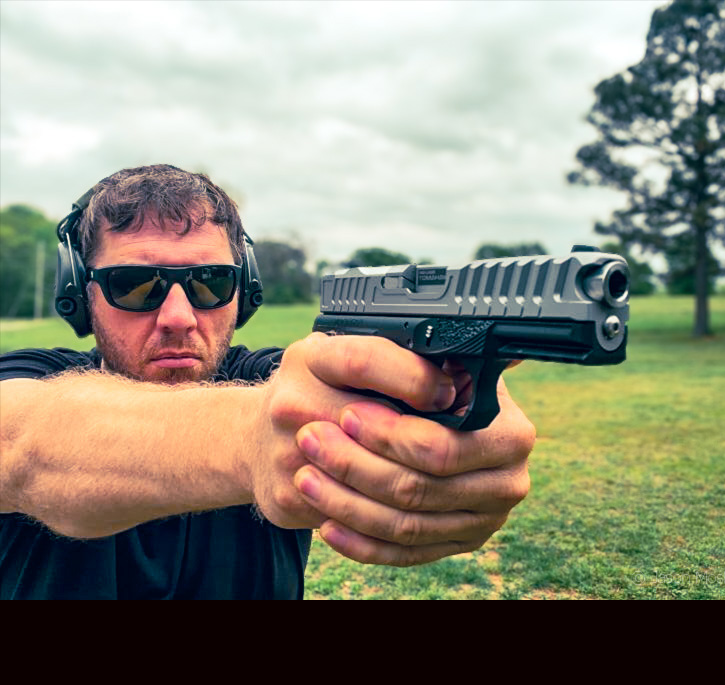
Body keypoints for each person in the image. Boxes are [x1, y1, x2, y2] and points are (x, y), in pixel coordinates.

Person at [0, 164, 535, 600]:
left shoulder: (274, 381)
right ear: (78, 295)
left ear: (245, 292)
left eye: (211, 282)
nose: (179, 317)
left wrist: (443, 407)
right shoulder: (33, 381)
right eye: (136, 285)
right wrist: (256, 438)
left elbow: (347, 394)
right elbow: (23, 443)